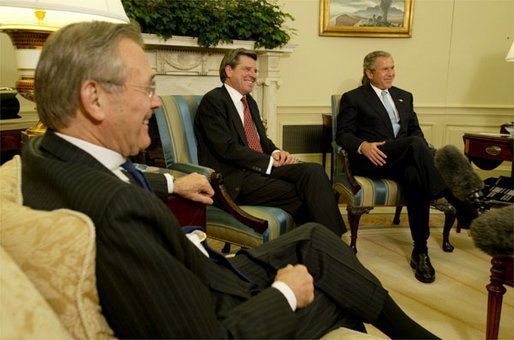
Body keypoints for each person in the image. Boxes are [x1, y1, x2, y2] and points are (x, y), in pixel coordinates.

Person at [21, 22, 439, 339]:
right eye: (148, 88)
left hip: (206, 265)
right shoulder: (119, 212)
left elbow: (117, 178)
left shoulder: (46, 156)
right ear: (94, 98)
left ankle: (355, 275)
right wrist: (286, 294)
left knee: (314, 235)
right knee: (334, 276)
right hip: (217, 293)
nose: (155, 101)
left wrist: (170, 183)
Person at [336, 50, 476, 284]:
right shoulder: (354, 98)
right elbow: (342, 134)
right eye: (385, 69)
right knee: (415, 145)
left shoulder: (404, 96)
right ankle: (456, 198)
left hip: (404, 159)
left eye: (392, 68)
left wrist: (417, 147)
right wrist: (363, 146)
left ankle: (420, 252)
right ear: (369, 73)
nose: (391, 73)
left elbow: (415, 132)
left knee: (414, 174)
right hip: (374, 159)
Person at [194, 48, 346, 237]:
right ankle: (329, 244)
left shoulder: (249, 101)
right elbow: (226, 148)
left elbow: (261, 140)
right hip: (235, 179)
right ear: (228, 71)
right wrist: (267, 162)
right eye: (247, 69)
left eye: (255, 71)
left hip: (257, 169)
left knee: (313, 170)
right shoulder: (214, 101)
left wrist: (275, 152)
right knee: (303, 192)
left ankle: (326, 243)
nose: (253, 75)